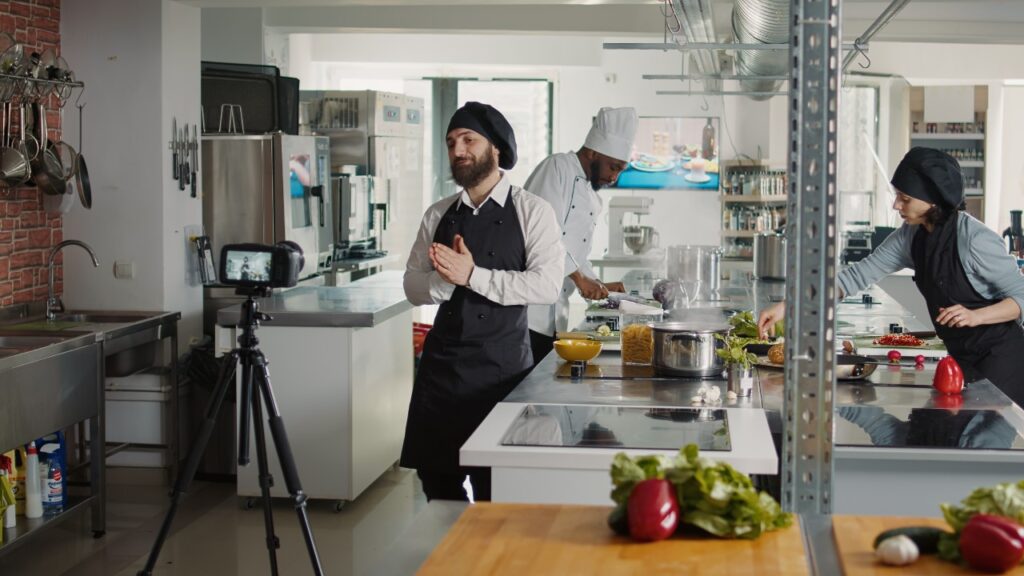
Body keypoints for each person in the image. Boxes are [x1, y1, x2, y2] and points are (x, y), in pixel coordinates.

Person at [758, 147, 1024, 407]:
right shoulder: (910, 236)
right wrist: (787, 305)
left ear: (933, 199)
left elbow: (1021, 295)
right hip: (958, 357)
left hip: (1002, 359)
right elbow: (854, 277)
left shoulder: (975, 240)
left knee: (993, 446)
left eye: (905, 198)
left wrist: (976, 315)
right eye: (897, 196)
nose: (897, 205)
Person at [401, 102, 564, 501]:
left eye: (469, 139)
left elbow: (546, 286)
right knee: (437, 482)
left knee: (498, 485)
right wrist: (443, 282)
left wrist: (472, 276)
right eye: (451, 141)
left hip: (502, 372)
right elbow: (410, 285)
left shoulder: (532, 211)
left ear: (496, 149)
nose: (458, 150)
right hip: (441, 373)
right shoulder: (437, 214)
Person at [524, 107, 639, 364]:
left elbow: (576, 253)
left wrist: (598, 284)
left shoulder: (590, 194)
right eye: (613, 167)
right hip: (527, 312)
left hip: (553, 314)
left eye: (620, 170)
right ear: (593, 151)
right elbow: (542, 236)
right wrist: (579, 279)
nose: (614, 177)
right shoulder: (557, 168)